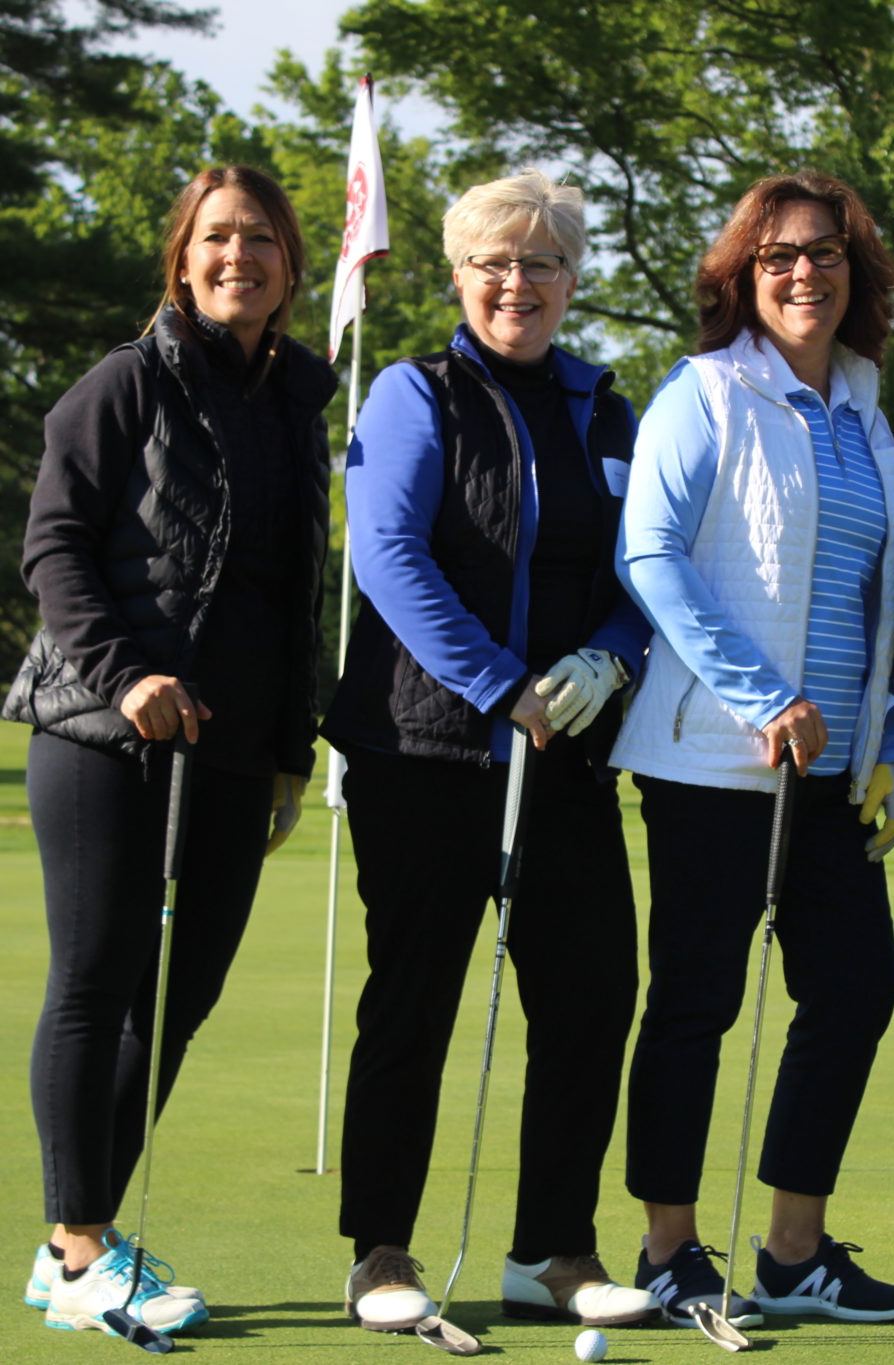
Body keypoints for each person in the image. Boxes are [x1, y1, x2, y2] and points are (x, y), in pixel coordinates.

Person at [319, 170, 659, 1336]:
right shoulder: (417, 394)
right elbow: (391, 561)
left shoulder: (605, 409)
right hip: (422, 749)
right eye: (495, 262)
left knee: (590, 995)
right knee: (412, 1002)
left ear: (571, 278)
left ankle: (553, 1250)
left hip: (562, 752)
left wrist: (609, 659)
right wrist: (500, 685)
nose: (519, 283)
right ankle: (380, 1252)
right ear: (460, 274)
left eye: (544, 262)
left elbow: (640, 572)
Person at [4, 164, 337, 1339]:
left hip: (237, 748)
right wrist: (124, 673)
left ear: (291, 265)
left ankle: (70, 1241)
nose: (236, 256)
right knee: (98, 986)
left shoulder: (300, 400)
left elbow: (293, 589)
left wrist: (293, 746)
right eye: (214, 238)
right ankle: (83, 1245)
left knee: (180, 1000)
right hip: (103, 733)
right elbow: (54, 552)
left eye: (258, 239)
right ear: (180, 259)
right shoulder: (122, 385)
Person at [611, 170, 894, 1329]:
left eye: (827, 254)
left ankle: (792, 1255)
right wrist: (761, 696)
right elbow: (649, 557)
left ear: (857, 274)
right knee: (695, 1001)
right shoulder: (703, 394)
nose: (805, 272)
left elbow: (870, 597)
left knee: (854, 987)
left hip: (831, 774)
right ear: (743, 275)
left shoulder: (867, 411)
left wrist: (887, 737)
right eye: (780, 255)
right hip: (711, 760)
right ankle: (669, 1251)